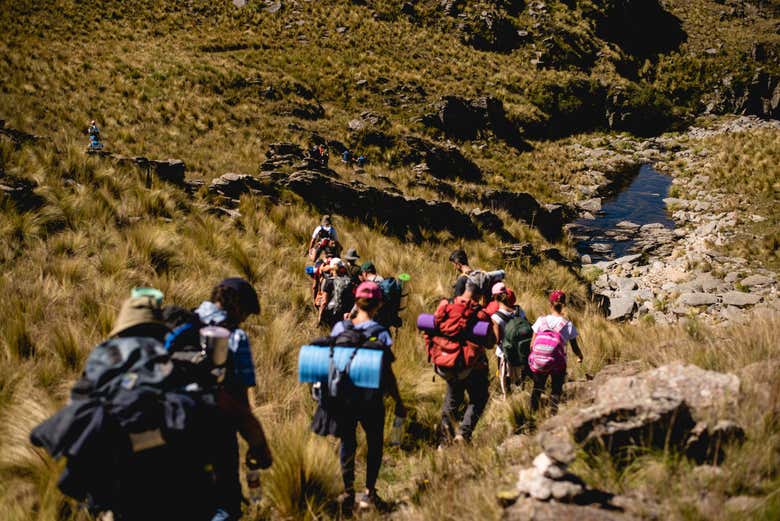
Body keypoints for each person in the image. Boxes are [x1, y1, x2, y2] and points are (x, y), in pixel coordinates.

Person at [195, 278, 272, 520]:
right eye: (246, 314)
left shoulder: (182, 323)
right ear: (237, 306)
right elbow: (240, 401)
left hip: (171, 428)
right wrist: (256, 444)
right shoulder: (235, 337)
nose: (244, 320)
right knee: (224, 505)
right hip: (217, 434)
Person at [328, 282, 406, 513]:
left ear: (356, 301)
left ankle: (348, 491)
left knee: (347, 443)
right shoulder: (380, 332)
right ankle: (369, 493)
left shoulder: (340, 328)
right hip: (371, 398)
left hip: (344, 397)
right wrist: (398, 401)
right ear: (379, 304)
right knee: (374, 444)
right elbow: (387, 372)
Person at [425, 282, 491, 444]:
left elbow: (431, 327)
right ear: (479, 294)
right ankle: (463, 434)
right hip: (469, 366)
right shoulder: (480, 314)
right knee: (479, 398)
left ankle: (443, 441)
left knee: (453, 398)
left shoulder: (445, 305)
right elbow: (490, 342)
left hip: (445, 363)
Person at [528, 290, 584, 414]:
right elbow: (574, 347)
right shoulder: (567, 325)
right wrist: (579, 356)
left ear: (550, 304)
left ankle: (532, 413)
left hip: (539, 361)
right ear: (564, 304)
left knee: (537, 387)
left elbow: (532, 345)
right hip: (557, 362)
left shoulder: (541, 321)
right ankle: (553, 413)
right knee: (556, 389)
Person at [318, 258, 355, 327]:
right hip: (344, 312)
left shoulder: (329, 281)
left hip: (331, 312)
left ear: (331, 269)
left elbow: (324, 302)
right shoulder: (348, 281)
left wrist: (320, 317)